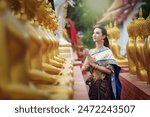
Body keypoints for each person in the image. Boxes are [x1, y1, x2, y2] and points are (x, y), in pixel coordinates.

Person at [81, 25, 122, 100]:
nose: (94, 35)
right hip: (93, 85)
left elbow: (110, 71)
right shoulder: (91, 52)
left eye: (97, 33)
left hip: (104, 86)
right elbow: (84, 68)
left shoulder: (108, 52)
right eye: (94, 33)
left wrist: (94, 65)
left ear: (103, 36)